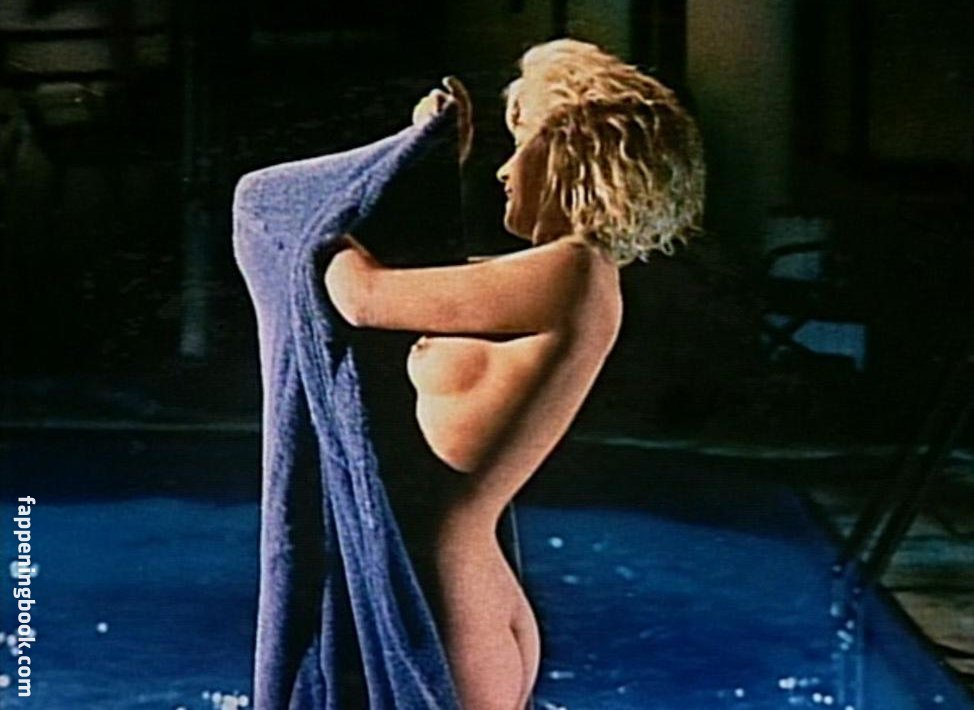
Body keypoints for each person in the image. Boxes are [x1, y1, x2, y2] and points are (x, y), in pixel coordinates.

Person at [324, 38, 705, 710]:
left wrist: (296, 217)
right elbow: (420, 270)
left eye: (520, 141)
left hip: (454, 596)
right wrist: (429, 159)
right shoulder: (566, 277)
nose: (503, 170)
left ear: (570, 150)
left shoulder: (571, 272)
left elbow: (363, 295)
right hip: (470, 584)